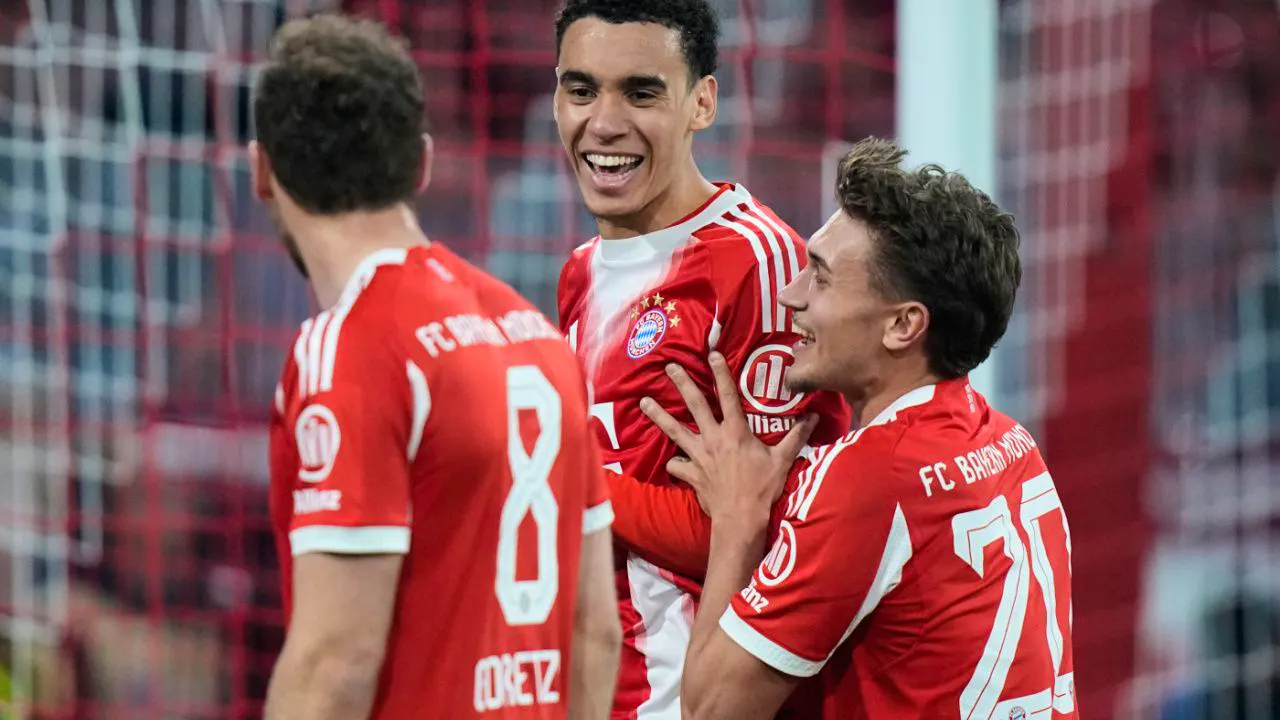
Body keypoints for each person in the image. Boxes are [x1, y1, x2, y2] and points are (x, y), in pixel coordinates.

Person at [253, 16, 620, 719]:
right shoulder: (539, 339)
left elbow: (335, 663)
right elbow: (595, 633)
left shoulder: (349, 348)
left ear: (261, 171)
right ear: (421, 163)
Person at [636, 137, 1077, 718]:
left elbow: (711, 709)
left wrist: (739, 517)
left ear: (903, 326)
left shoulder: (871, 478)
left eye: (820, 278)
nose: (790, 296)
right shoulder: (1012, 444)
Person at [550, 0, 851, 716]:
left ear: (702, 103)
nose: (604, 122)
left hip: (691, 698)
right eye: (581, 89)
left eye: (641, 93)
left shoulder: (758, 267)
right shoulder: (580, 271)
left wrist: (558, 472)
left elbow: (786, 540)